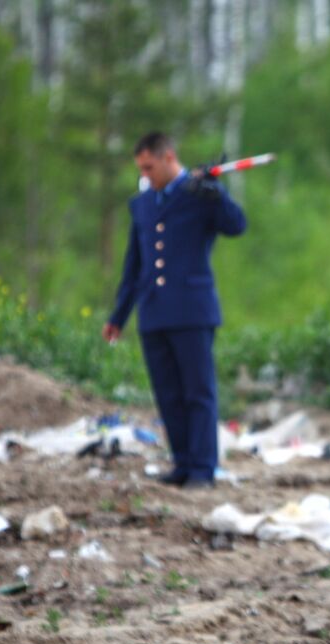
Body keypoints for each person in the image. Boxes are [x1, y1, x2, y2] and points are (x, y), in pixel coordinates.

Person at [103, 132, 247, 489]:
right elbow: (134, 266)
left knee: (198, 393)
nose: (146, 175)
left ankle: (202, 468)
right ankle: (182, 462)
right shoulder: (142, 205)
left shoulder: (198, 193)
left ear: (169, 158)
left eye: (150, 167)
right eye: (141, 168)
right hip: (154, 313)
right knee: (167, 394)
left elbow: (236, 225)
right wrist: (119, 315)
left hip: (192, 310)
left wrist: (217, 195)